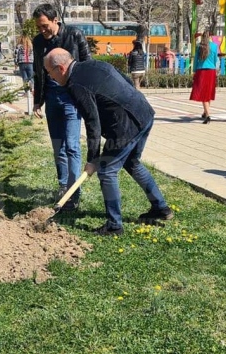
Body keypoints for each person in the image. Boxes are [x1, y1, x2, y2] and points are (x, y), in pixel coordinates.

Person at [43, 48, 173, 235]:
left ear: (61, 68)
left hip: (125, 126)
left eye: (50, 72)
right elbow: (127, 81)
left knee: (106, 171)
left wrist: (93, 160)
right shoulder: (93, 64)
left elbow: (92, 122)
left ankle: (114, 225)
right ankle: (160, 207)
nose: (51, 77)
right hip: (143, 112)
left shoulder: (75, 85)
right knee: (132, 162)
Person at [31, 3, 91, 209]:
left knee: (72, 147)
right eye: (38, 27)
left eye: (45, 25)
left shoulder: (74, 35)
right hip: (52, 99)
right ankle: (63, 185)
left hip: (71, 98)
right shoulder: (38, 42)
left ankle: (74, 192)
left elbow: (87, 66)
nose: (42, 30)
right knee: (59, 147)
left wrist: (86, 97)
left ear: (55, 20)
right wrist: (38, 100)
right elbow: (38, 72)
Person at [189, 33, 219, 124]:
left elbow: (196, 60)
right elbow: (215, 59)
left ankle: (208, 115)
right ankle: (205, 112)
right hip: (211, 71)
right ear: (210, 37)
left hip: (201, 70)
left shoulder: (199, 46)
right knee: (208, 92)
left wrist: (194, 71)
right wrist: (216, 70)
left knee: (203, 93)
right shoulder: (214, 46)